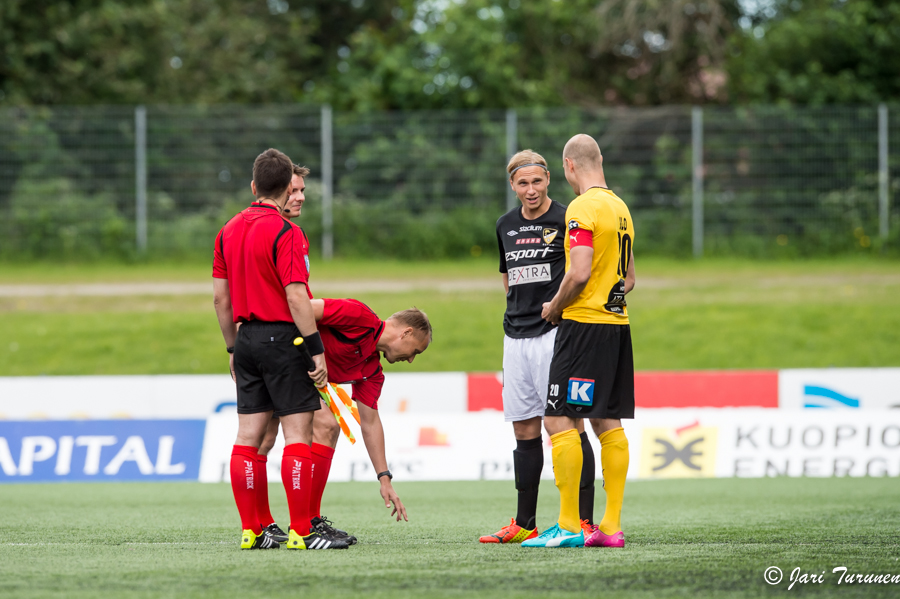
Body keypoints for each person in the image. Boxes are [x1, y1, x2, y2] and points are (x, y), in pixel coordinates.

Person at [213, 148, 349, 551]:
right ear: (285, 185)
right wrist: (316, 348)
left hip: (246, 338)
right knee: (297, 435)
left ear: (254, 186)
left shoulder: (228, 229)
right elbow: (296, 296)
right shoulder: (287, 232)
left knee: (248, 436)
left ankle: (253, 530)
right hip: (282, 338)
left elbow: (221, 301)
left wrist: (233, 349)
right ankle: (302, 531)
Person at [523, 134, 636, 549]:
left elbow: (580, 271)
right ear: (599, 160)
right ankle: (610, 527)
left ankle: (569, 526)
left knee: (557, 419)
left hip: (583, 327)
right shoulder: (620, 208)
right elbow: (629, 279)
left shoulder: (582, 208)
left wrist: (555, 305)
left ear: (569, 166)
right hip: (616, 325)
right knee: (607, 421)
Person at [479, 150, 597, 545]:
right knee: (524, 429)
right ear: (512, 185)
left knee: (566, 426)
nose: (531, 190)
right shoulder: (505, 225)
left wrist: (561, 312)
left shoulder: (567, 218)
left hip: (555, 336)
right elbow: (509, 277)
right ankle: (524, 522)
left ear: (549, 180)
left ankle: (583, 522)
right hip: (515, 339)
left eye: (537, 181)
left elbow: (583, 272)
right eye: (522, 183)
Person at [254, 298, 431, 545]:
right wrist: (255, 334)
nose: (412, 359)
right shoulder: (358, 315)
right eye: (416, 351)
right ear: (407, 332)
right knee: (270, 438)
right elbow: (303, 307)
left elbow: (370, 424)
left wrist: (384, 478)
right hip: (275, 355)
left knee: (300, 432)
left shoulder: (372, 370)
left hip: (296, 375)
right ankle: (266, 523)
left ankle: (306, 521)